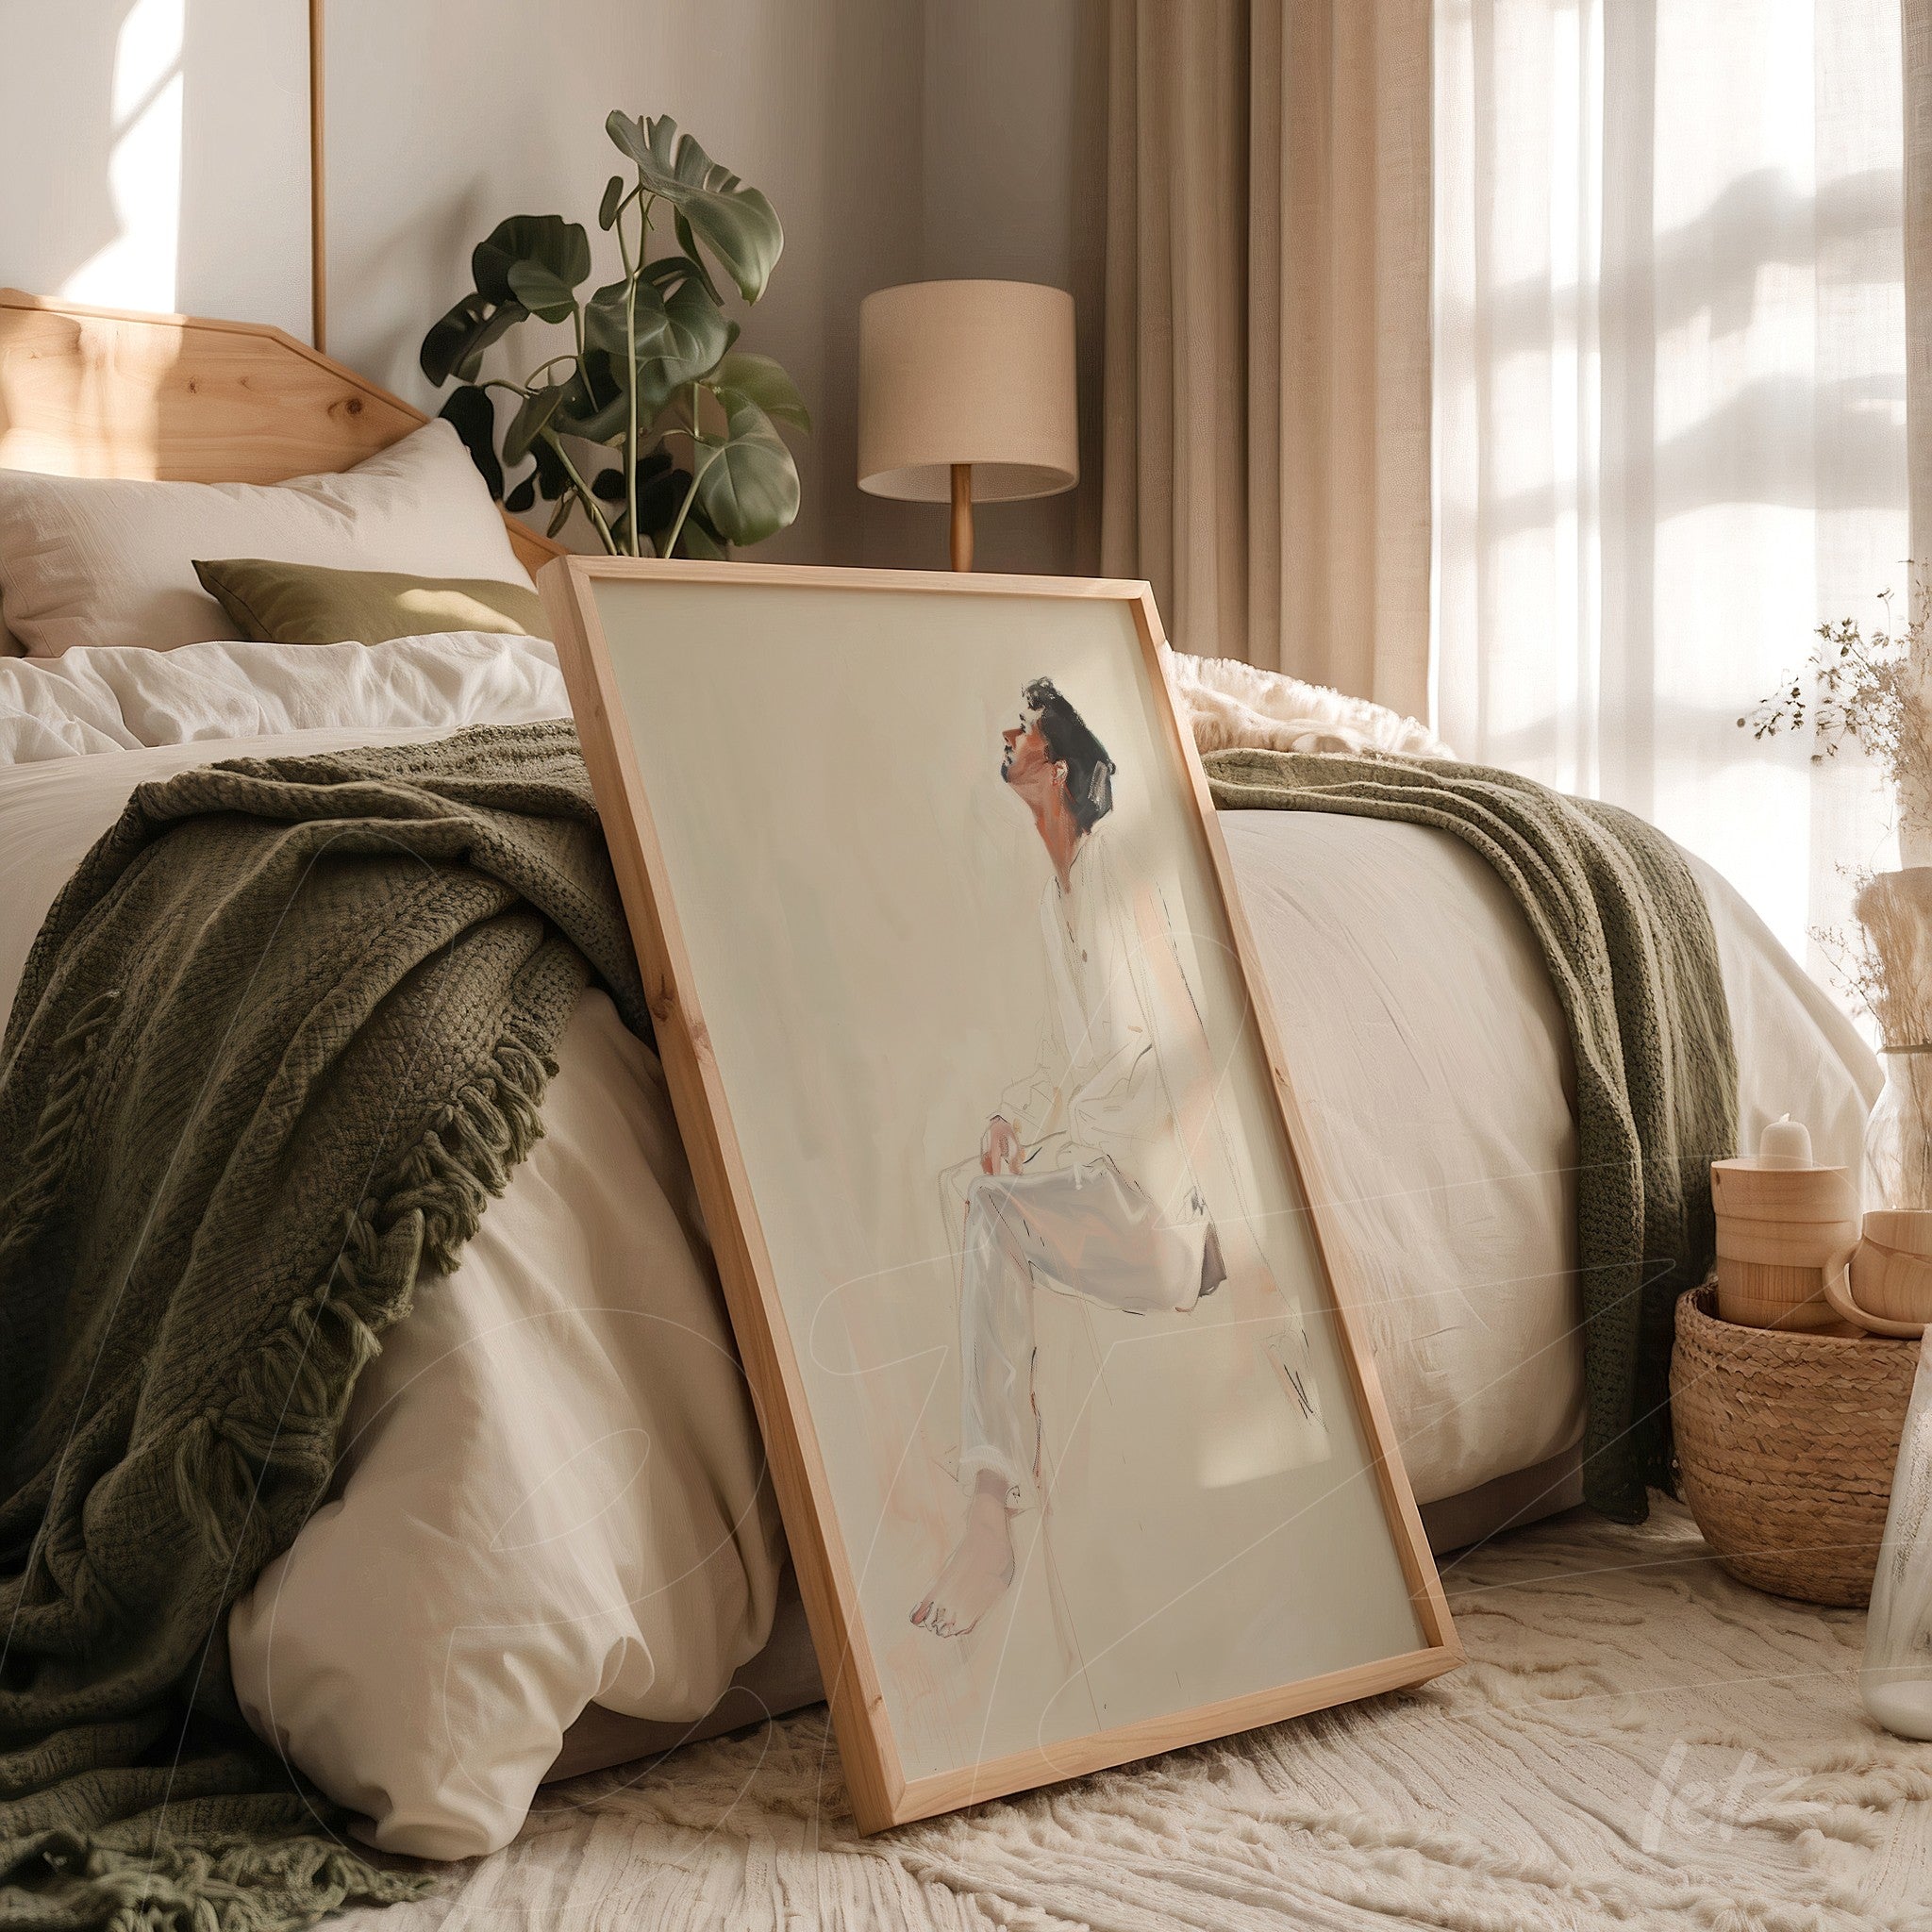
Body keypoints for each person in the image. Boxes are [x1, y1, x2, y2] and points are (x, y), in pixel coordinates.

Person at [912, 678, 1230, 1641]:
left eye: (1024, 729)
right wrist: (1014, 1120)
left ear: (1052, 766)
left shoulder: (1121, 879)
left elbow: (1174, 1051)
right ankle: (1001, 1482)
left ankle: (986, 1524)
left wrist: (1056, 1148)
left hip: (1161, 1208)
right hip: (1104, 1176)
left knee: (993, 1212)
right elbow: (1068, 1058)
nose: (1005, 736)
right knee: (960, 1191)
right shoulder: (1057, 896)